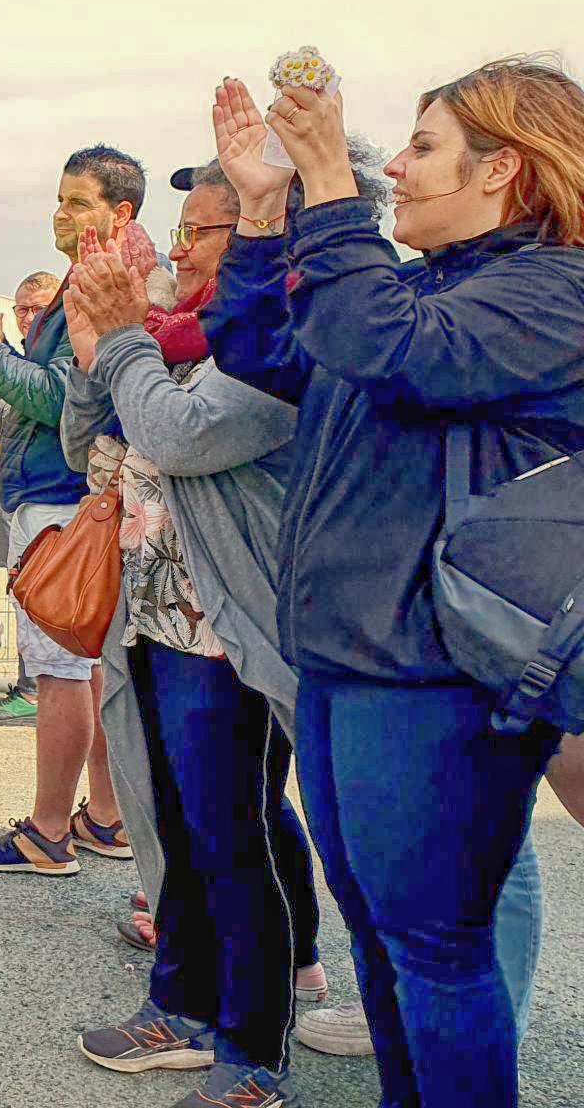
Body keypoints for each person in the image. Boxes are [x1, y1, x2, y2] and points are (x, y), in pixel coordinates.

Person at [204, 60, 584, 1105]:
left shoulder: (557, 287)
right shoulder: (418, 284)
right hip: (345, 659)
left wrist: (331, 185)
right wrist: (260, 211)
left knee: (435, 949)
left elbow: (391, 348)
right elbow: (260, 349)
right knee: (380, 940)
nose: (398, 172)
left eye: (421, 148)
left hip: (432, 674)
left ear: (501, 168)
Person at [30, 157, 353, 1105]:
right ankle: (183, 1004)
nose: (178, 247)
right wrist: (96, 343)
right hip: (157, 615)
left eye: (202, 229)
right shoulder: (170, 328)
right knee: (173, 824)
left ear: (265, 234)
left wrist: (119, 339)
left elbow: (180, 434)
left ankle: (252, 1048)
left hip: (228, 630)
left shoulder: (278, 335)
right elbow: (89, 435)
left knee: (230, 833)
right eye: (180, 230)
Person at [0, 145, 140, 876]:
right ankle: (105, 816)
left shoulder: (98, 287)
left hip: (66, 507)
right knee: (89, 672)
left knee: (63, 673)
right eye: (60, 199)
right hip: (73, 498)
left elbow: (67, 399)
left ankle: (49, 831)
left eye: (79, 201)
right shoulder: (84, 284)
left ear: (119, 212)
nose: (61, 213)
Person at [0, 271, 58, 724]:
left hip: (50, 500)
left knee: (40, 600)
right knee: (24, 594)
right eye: (21, 308)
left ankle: (36, 692)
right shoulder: (27, 357)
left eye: (38, 308)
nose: (28, 317)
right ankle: (33, 686)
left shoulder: (50, 359)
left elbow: (39, 410)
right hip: (21, 499)